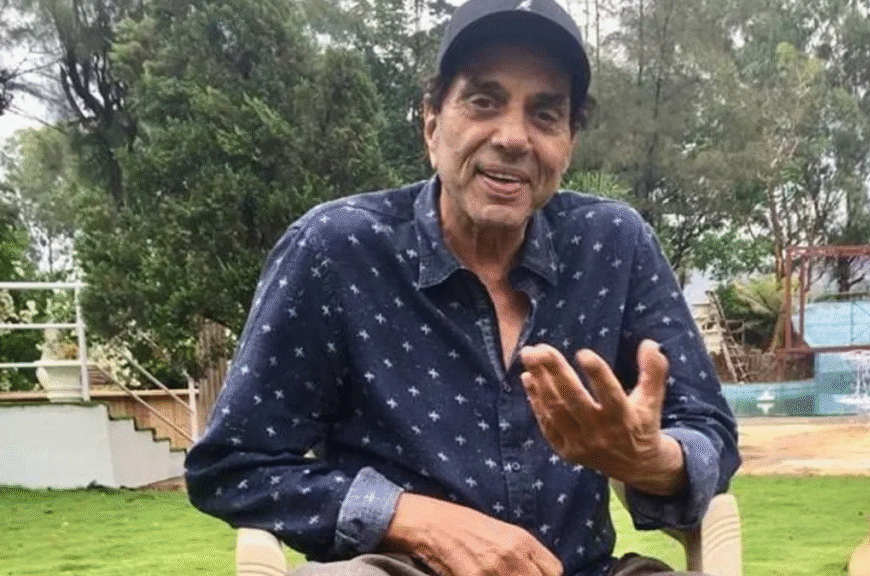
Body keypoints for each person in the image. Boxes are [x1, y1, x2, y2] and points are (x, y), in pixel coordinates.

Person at [184, 0, 740, 575]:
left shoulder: (614, 245)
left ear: (569, 141)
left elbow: (711, 433)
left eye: (545, 113)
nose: (513, 138)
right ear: (431, 122)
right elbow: (234, 464)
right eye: (483, 101)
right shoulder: (336, 249)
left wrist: (653, 460)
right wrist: (415, 521)